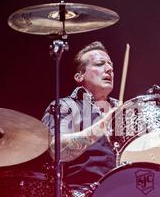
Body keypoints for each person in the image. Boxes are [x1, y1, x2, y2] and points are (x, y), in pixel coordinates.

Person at [41, 41, 119, 189]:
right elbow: (56, 150)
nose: (109, 69)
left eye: (111, 66)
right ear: (79, 76)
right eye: (99, 64)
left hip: (124, 193)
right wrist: (101, 126)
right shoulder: (65, 106)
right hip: (81, 196)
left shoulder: (122, 109)